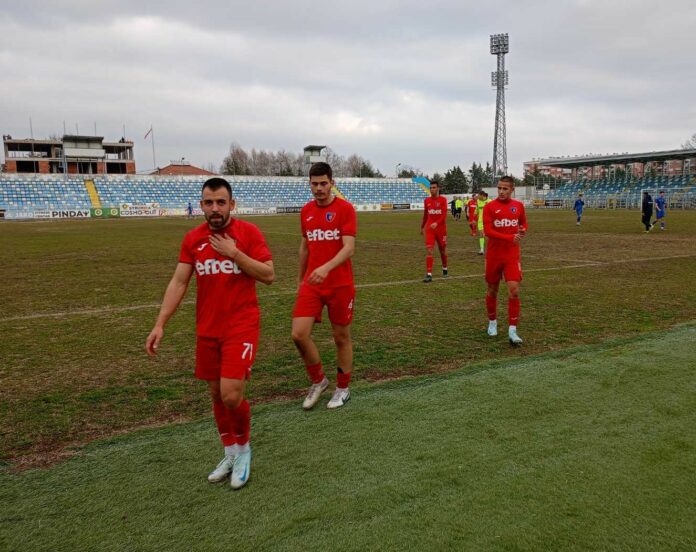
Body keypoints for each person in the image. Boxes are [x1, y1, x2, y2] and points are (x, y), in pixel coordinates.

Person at [145, 177, 274, 489]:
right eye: (208, 202)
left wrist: (235, 254)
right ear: (201, 205)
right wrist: (160, 323)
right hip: (207, 328)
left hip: (241, 326)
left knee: (231, 394)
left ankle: (244, 451)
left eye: (220, 202)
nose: (214, 208)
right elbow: (179, 282)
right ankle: (229, 453)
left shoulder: (248, 233)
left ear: (232, 204)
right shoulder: (193, 239)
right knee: (216, 394)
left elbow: (269, 274)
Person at [292, 162, 357, 410]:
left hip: (339, 284)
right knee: (298, 334)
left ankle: (343, 389)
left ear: (332, 183)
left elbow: (349, 248)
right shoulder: (306, 211)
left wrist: (326, 268)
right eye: (314, 184)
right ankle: (319, 381)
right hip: (312, 283)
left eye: (323, 183)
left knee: (341, 337)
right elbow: (305, 247)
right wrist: (300, 279)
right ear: (309, 184)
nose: (319, 188)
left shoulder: (345, 209)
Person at [482, 176, 528, 346]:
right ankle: (492, 322)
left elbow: (524, 224)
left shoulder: (518, 206)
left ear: (512, 189)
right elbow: (488, 231)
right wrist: (510, 237)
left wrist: (522, 231)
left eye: (505, 189)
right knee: (492, 290)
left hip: (511, 256)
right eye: (499, 188)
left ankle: (512, 330)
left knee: (514, 290)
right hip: (494, 255)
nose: (501, 191)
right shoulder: (489, 207)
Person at [420, 180, 448, 282]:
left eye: (434, 187)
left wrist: (437, 223)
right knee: (429, 250)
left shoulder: (443, 200)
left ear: (438, 188)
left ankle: (445, 268)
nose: (432, 189)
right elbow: (425, 215)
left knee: (442, 250)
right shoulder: (427, 200)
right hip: (430, 229)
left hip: (441, 230)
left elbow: (444, 214)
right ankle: (429, 274)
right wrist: (422, 226)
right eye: (431, 188)